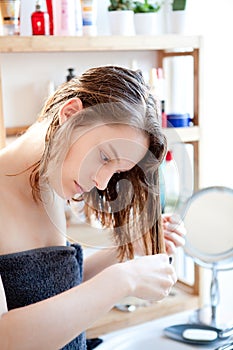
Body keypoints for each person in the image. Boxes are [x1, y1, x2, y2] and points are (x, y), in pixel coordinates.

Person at [0, 66, 185, 349]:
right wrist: (123, 280)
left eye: (115, 171)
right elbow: (5, 337)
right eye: (103, 156)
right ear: (71, 114)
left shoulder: (48, 185)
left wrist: (129, 246)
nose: (101, 182)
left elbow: (53, 288)